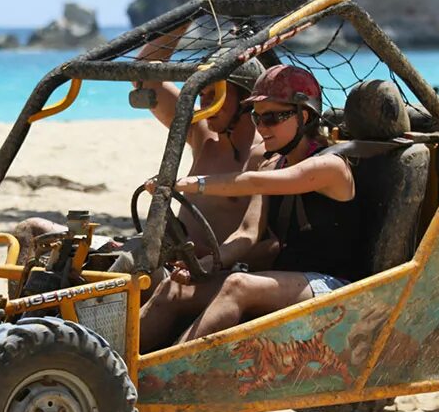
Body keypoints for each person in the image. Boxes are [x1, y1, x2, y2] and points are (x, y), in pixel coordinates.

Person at [13, 0, 266, 282]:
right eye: (202, 93)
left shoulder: (265, 155)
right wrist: (189, 15)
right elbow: (145, 77)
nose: (204, 103)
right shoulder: (203, 135)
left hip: (192, 273)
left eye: (215, 94)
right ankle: (21, 317)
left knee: (127, 270)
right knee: (30, 232)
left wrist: (209, 263)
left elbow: (262, 241)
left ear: (246, 99)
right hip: (158, 253)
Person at [139, 65, 361, 352]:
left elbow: (254, 181)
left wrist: (184, 184)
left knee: (238, 286)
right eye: (257, 117)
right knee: (173, 289)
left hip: (333, 285)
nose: (262, 127)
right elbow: (248, 232)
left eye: (272, 118)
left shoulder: (331, 167)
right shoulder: (274, 162)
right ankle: (117, 372)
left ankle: (164, 375)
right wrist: (207, 264)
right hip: (286, 278)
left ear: (303, 116)